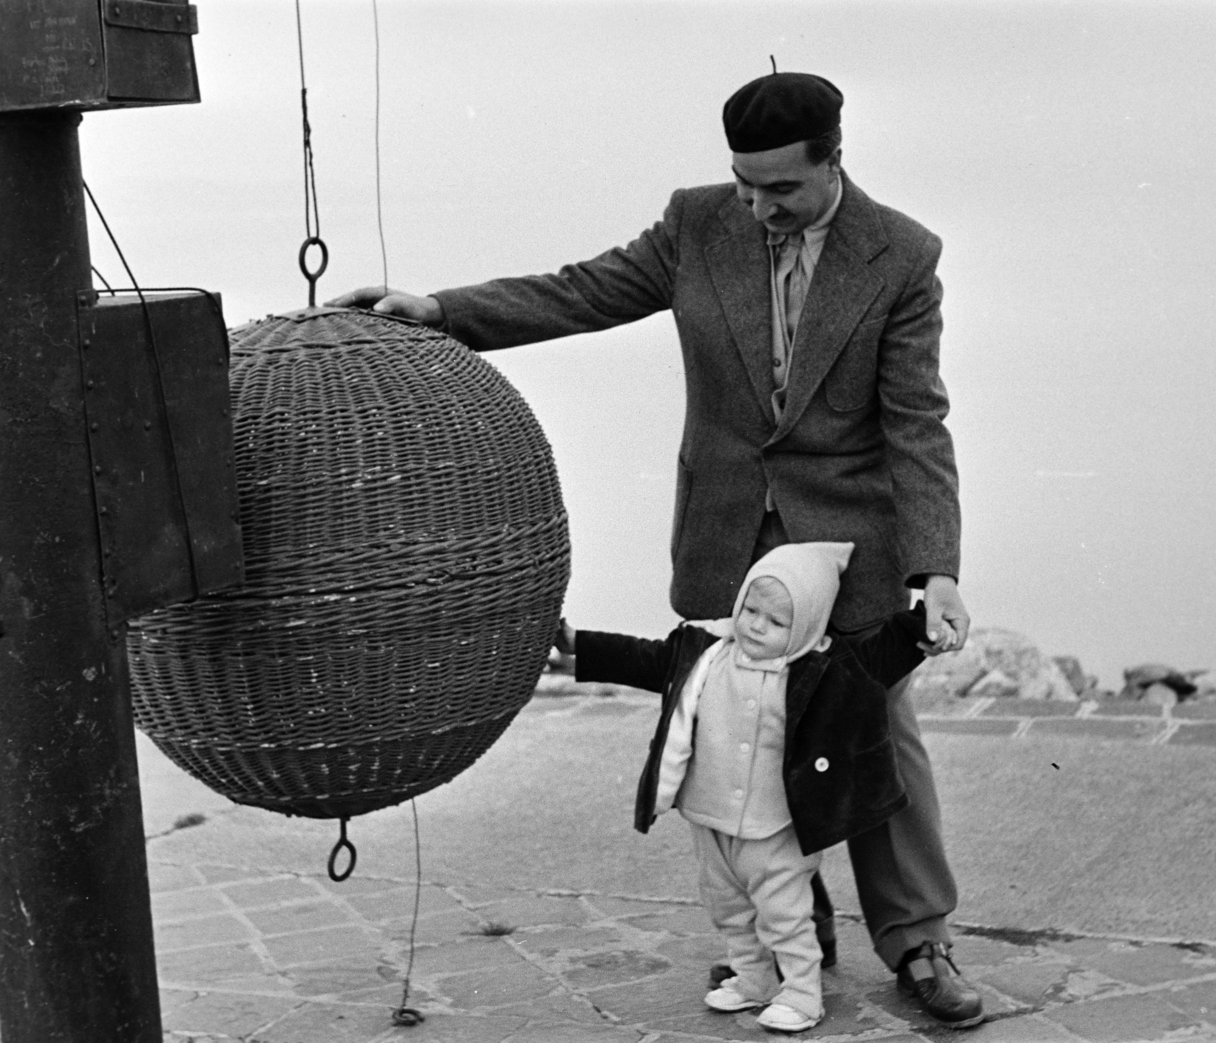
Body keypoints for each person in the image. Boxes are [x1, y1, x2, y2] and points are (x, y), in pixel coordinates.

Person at [330, 69, 983, 1027]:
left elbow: (916, 421)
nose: (758, 206)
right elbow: (582, 292)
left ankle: (918, 939)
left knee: (873, 725)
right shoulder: (696, 223)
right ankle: (793, 921)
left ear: (834, 160)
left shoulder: (901, 256)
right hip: (725, 528)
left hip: (852, 539)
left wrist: (937, 569)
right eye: (744, 183)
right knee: (740, 740)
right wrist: (445, 312)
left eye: (782, 189)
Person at [557, 541, 934, 1033]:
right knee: (730, 910)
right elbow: (639, 658)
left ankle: (802, 992)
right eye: (750, 610)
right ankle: (753, 979)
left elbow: (881, 655)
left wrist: (927, 621)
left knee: (785, 915)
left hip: (777, 828)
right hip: (709, 817)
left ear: (805, 628)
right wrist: (577, 643)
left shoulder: (823, 671)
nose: (756, 625)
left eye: (775, 622)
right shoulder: (706, 654)